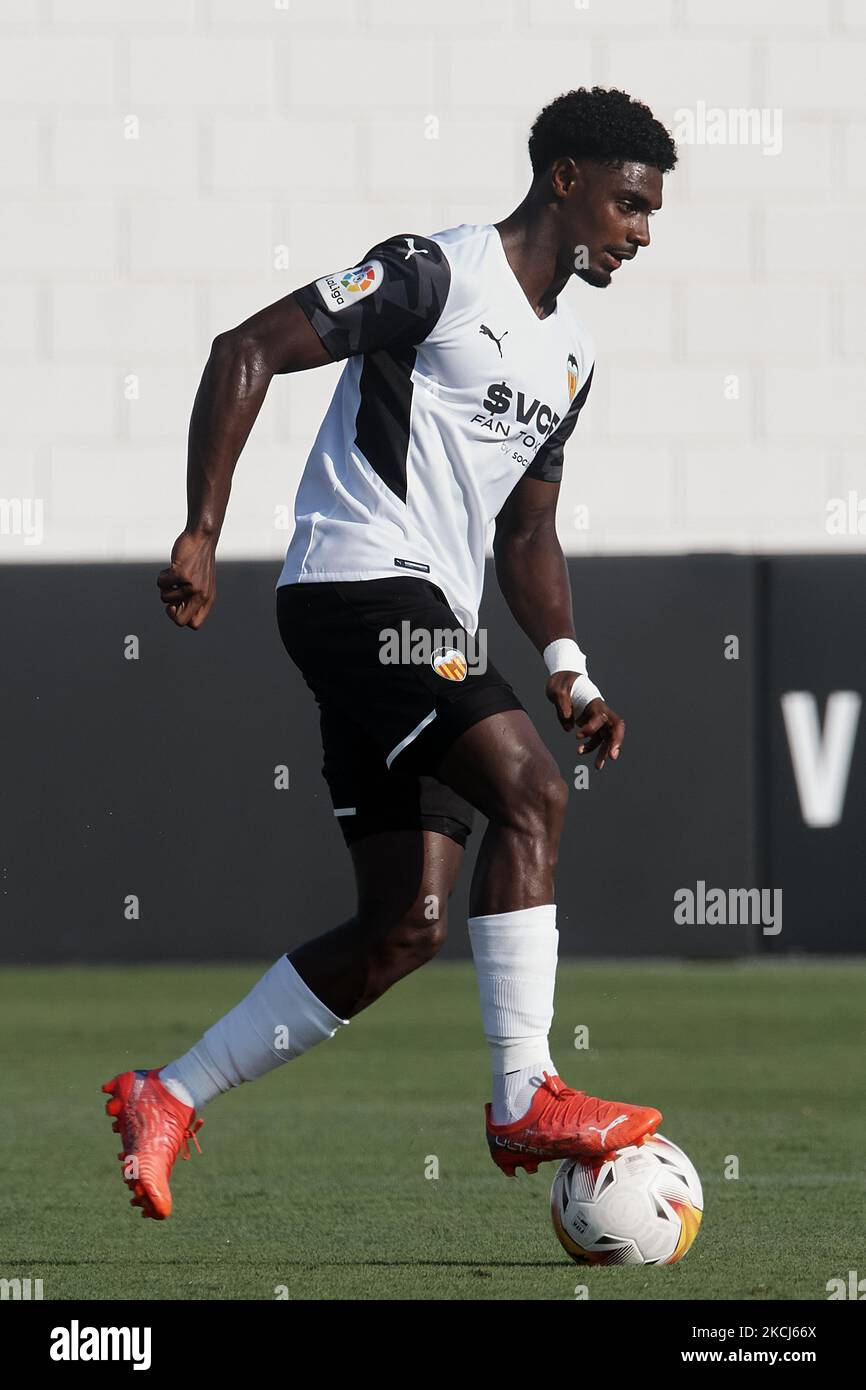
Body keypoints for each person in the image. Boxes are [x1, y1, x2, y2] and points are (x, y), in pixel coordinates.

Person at [103, 86, 677, 1220]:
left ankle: (165, 1095)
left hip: (429, 620)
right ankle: (524, 1094)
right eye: (626, 205)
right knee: (530, 793)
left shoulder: (571, 354)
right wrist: (202, 532)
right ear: (563, 180)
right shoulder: (434, 271)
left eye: (650, 215)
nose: (639, 234)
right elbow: (246, 348)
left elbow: (526, 533)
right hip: (356, 586)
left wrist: (567, 666)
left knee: (405, 925)